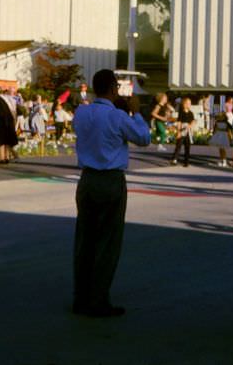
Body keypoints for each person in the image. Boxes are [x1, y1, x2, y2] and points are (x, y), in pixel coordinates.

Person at [72, 69, 151, 317]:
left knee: (85, 241)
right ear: (114, 88)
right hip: (110, 179)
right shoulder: (117, 117)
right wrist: (136, 112)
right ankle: (98, 299)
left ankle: (81, 297)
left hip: (87, 179)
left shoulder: (81, 112)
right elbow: (143, 137)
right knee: (107, 242)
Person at [0, 87, 19, 163]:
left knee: (1, 141)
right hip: (9, 122)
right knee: (7, 141)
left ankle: (2, 158)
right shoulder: (5, 100)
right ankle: (7, 157)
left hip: (0, 123)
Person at [171, 97, 195, 167]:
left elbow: (193, 121)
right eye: (187, 103)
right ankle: (175, 159)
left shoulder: (191, 113)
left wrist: (190, 126)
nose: (189, 105)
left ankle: (186, 161)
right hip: (182, 129)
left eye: (190, 103)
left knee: (187, 146)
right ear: (183, 104)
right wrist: (178, 131)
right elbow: (179, 122)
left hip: (188, 131)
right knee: (179, 145)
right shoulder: (181, 113)